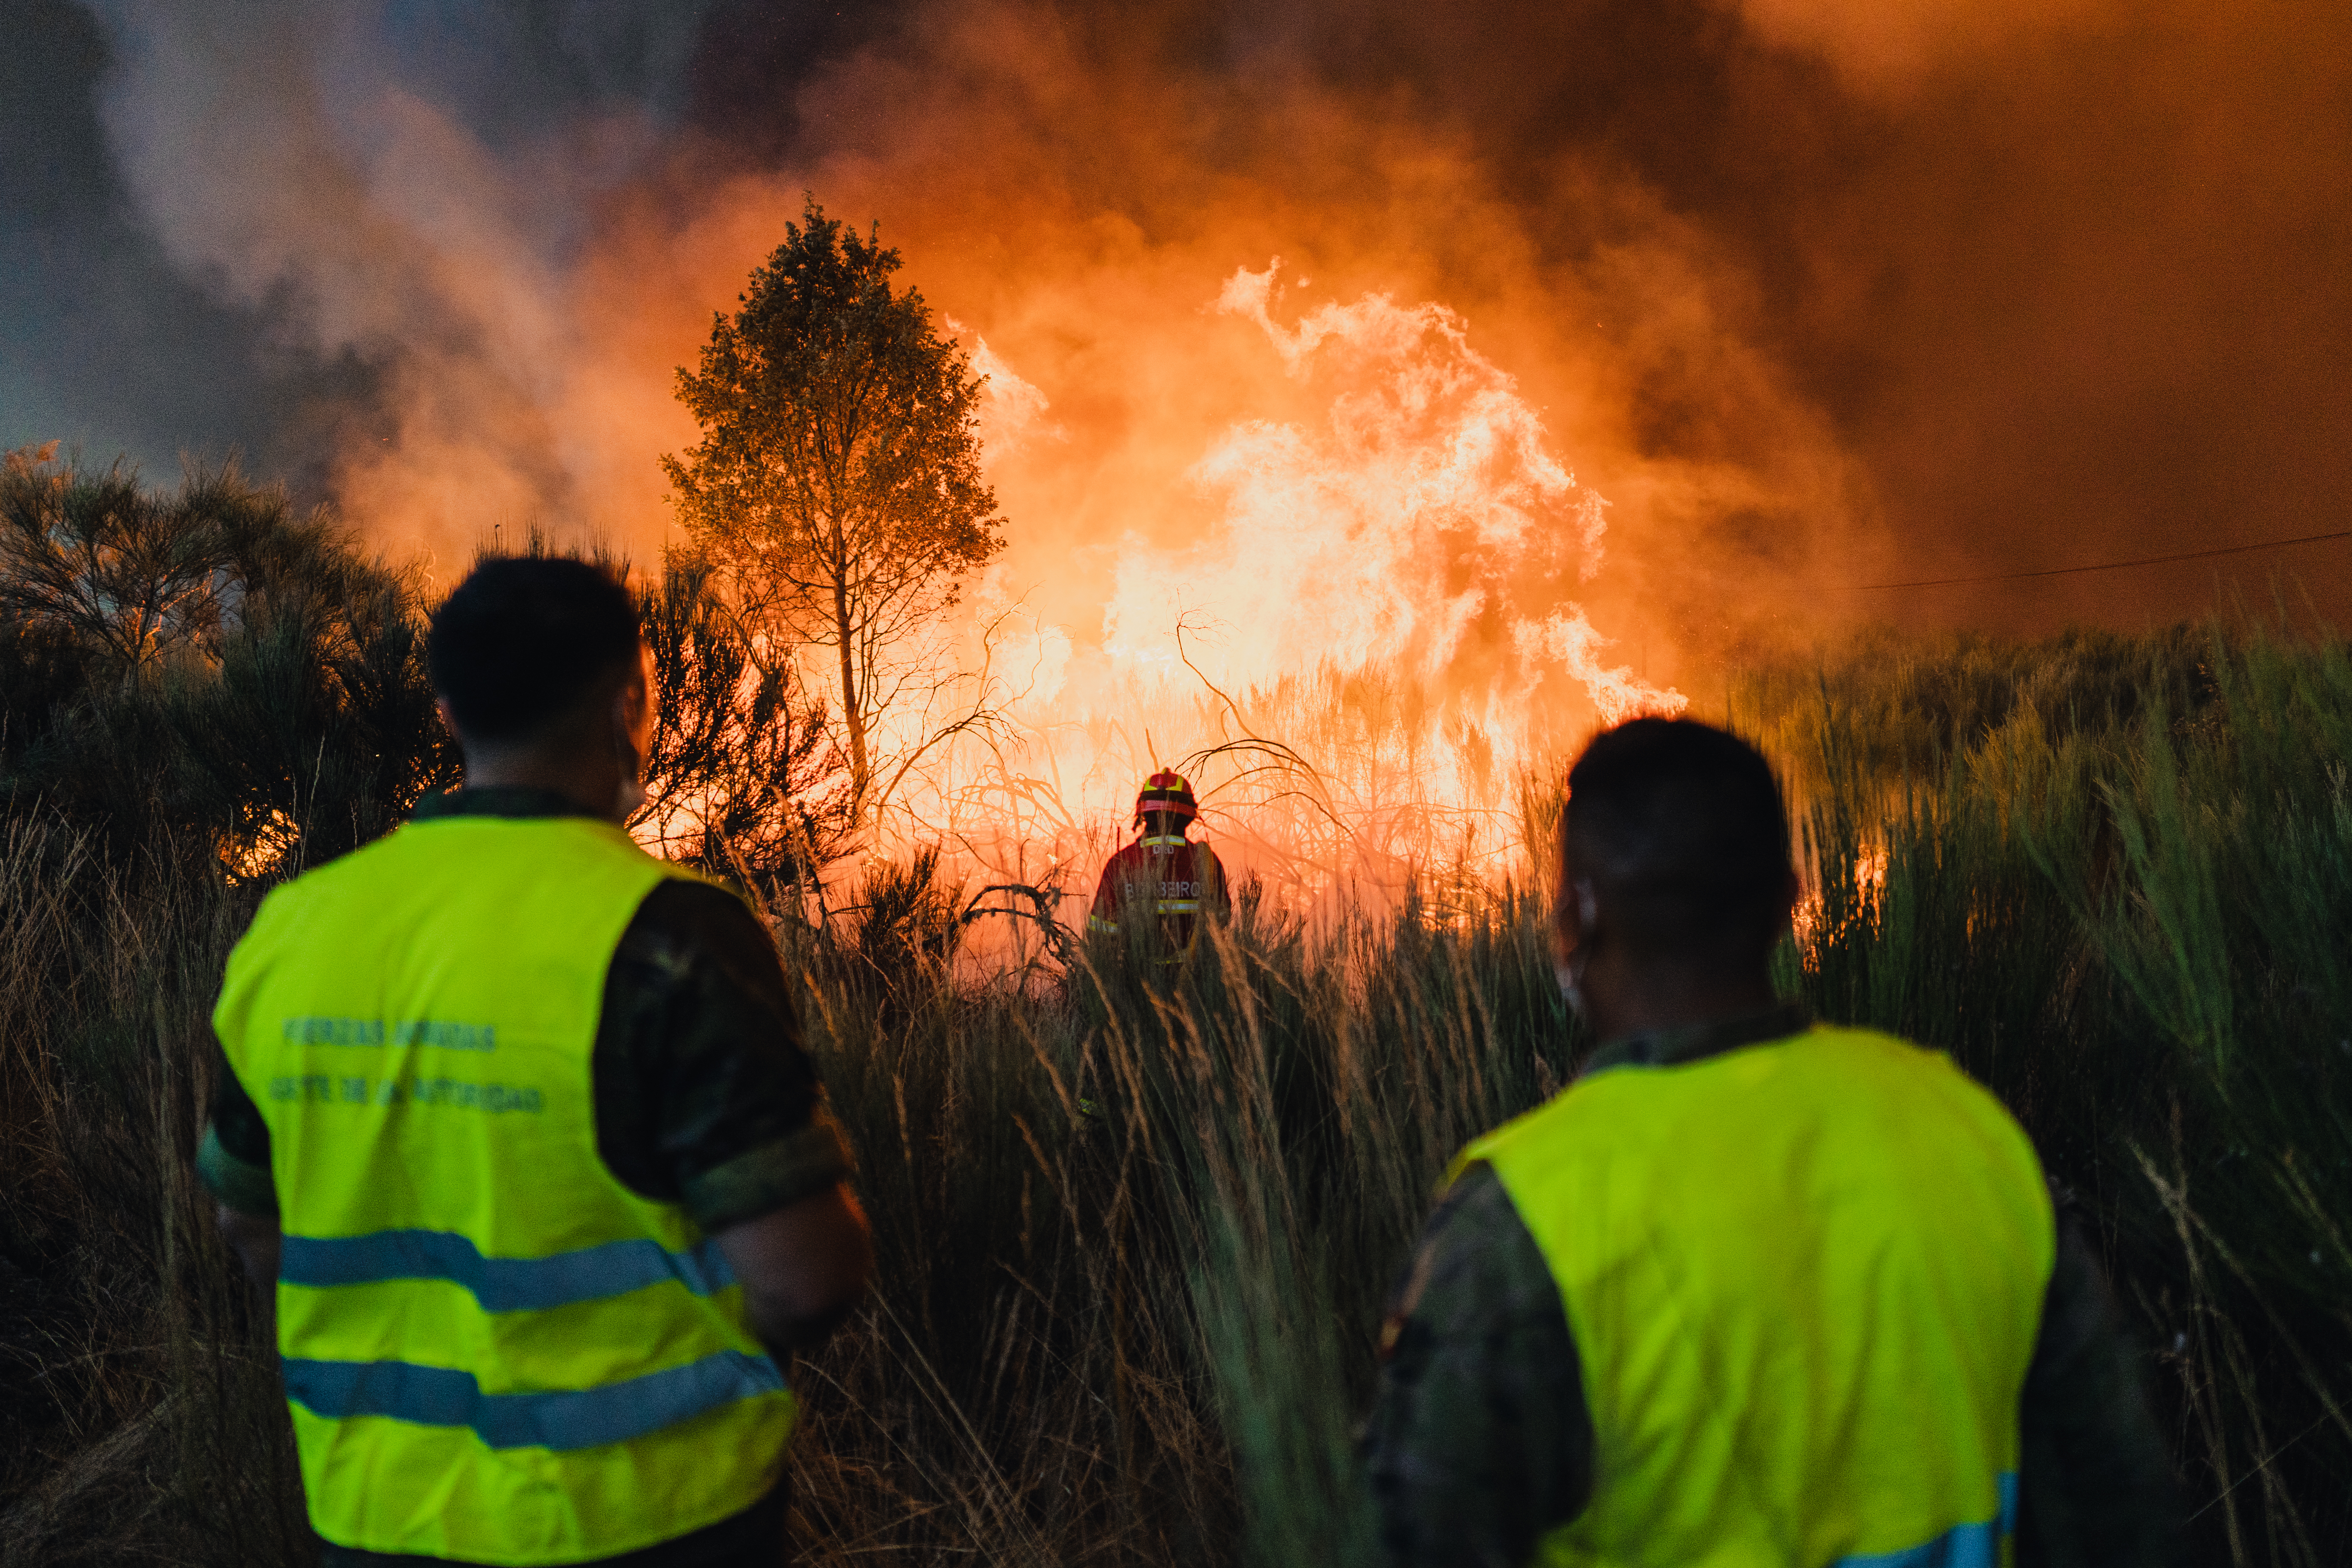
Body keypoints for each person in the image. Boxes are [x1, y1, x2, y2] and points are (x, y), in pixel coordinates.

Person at [1361, 717, 2174, 1568]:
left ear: (1574, 917)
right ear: (1791, 902)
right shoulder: (1971, 1134)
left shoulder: (1523, 1218)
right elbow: (2120, 1512)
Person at [197, 556, 873, 1568]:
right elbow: (803, 1278)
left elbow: (251, 1220)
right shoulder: (671, 934)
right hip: (647, 1520)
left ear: (447, 712)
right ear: (630, 704)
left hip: (382, 1517)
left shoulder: (295, 930)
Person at [1087, 769, 1231, 957]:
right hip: (1197, 981)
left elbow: (1101, 934)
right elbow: (1221, 920)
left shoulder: (1121, 863)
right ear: (1188, 816)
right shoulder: (1206, 861)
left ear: (1144, 815)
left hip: (1135, 982)